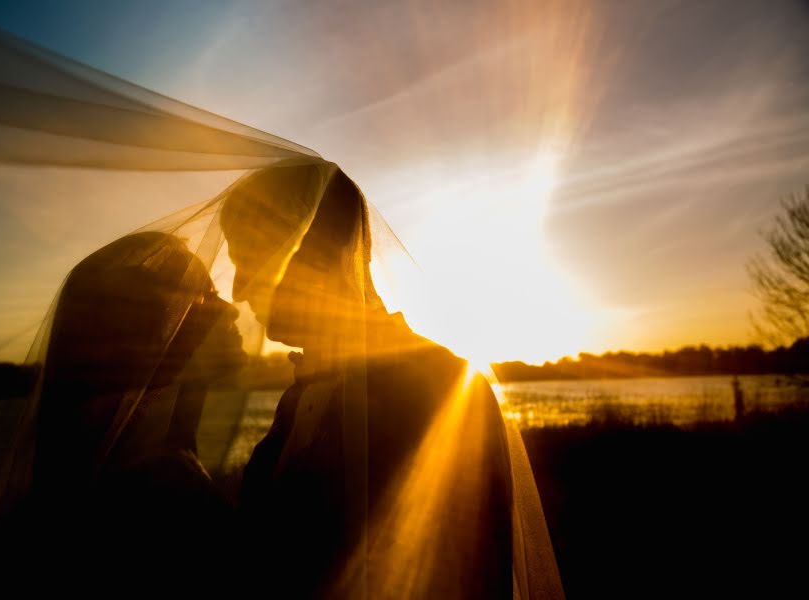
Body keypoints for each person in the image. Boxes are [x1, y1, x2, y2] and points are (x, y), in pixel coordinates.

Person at [223, 163, 562, 598]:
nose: (236, 289)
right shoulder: (297, 395)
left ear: (312, 249)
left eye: (247, 258)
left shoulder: (440, 388)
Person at [0, 232, 246, 587]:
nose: (231, 307)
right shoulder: (156, 496)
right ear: (150, 334)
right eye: (205, 297)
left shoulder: (137, 458)